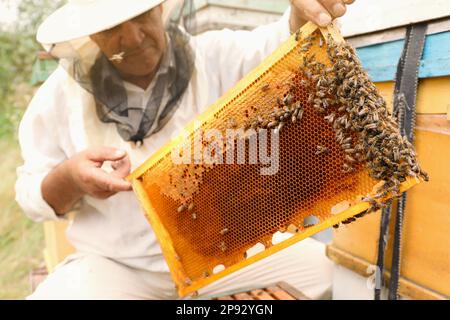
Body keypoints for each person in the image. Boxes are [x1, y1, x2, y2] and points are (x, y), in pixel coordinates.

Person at [16, 0, 355, 300]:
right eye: (112, 28)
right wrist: (70, 178)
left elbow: (279, 42)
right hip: (120, 268)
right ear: (90, 35)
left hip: (231, 255)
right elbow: (31, 194)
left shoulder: (214, 55)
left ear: (160, 8)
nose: (133, 38)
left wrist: (301, 12)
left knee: (331, 275)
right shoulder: (57, 99)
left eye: (140, 15)